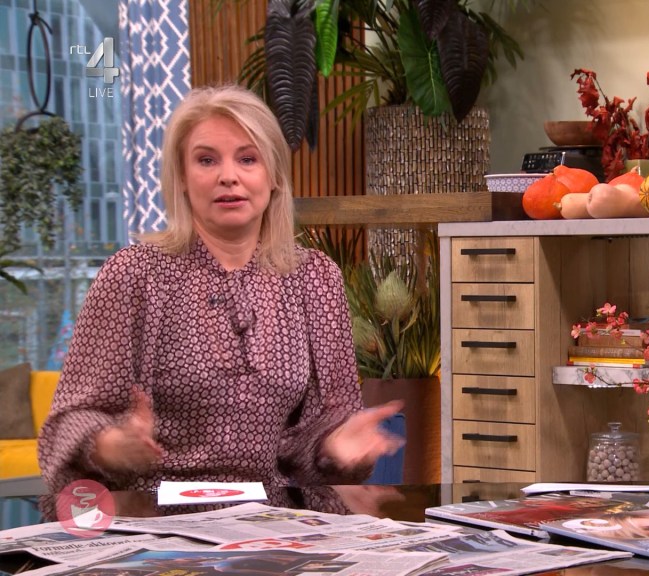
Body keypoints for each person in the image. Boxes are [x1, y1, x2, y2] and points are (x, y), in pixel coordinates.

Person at [37, 85, 403, 492]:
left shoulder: (315, 277)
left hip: (270, 514)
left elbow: (326, 424)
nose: (228, 176)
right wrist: (110, 446)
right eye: (206, 160)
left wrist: (336, 447)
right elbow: (70, 421)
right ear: (181, 177)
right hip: (155, 513)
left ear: (274, 175)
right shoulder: (134, 274)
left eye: (247, 159)